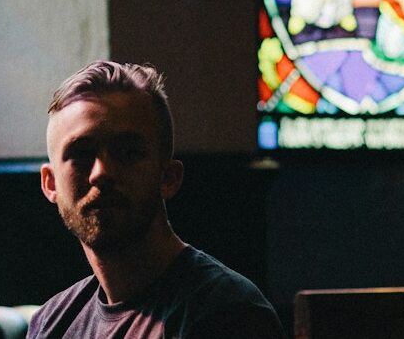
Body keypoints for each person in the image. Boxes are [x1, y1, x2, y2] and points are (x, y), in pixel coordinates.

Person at [31, 61, 284, 339]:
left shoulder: (228, 314)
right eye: (81, 154)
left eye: (128, 153)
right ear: (50, 183)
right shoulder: (50, 323)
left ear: (168, 177)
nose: (101, 173)